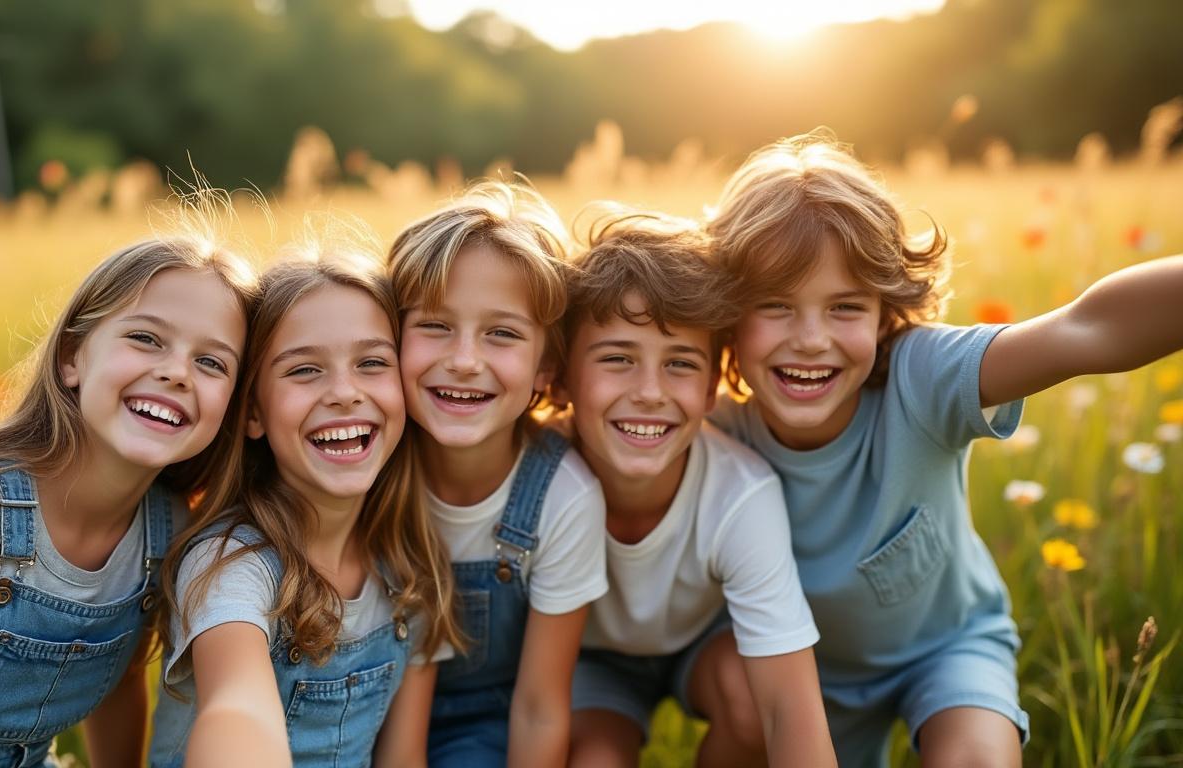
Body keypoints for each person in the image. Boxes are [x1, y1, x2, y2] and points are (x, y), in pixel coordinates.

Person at [705, 130, 1183, 767]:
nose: (812, 338)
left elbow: (1085, 329)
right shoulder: (711, 425)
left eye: (845, 307)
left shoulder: (922, 377)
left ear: (885, 314)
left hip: (947, 649)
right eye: (774, 305)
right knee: (742, 708)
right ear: (727, 317)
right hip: (787, 664)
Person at [0, 236, 256, 768]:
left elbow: (119, 682)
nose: (177, 372)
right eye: (146, 338)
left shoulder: (168, 528)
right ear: (70, 358)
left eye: (212, 362)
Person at [149, 236, 461, 768]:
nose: (344, 392)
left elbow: (403, 758)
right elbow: (236, 708)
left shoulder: (411, 572)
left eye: (371, 363)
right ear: (253, 413)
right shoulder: (231, 565)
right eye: (304, 370)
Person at [555, 209, 834, 768]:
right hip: (586, 660)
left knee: (752, 706)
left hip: (702, 645)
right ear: (561, 376)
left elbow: (789, 710)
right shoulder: (540, 479)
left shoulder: (740, 493)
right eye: (618, 359)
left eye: (680, 364)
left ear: (711, 389)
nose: (650, 392)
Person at [388, 180, 609, 767]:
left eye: (502, 333)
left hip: (486, 724)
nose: (464, 360)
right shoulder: (367, 464)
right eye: (435, 325)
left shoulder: (563, 497)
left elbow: (539, 707)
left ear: (546, 366)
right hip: (361, 704)